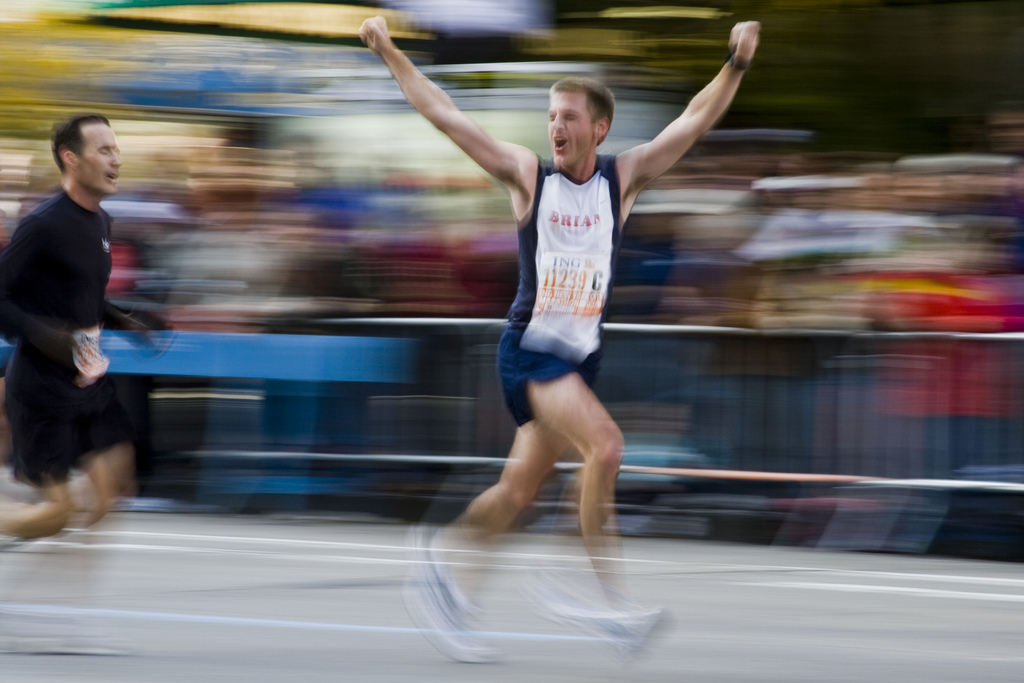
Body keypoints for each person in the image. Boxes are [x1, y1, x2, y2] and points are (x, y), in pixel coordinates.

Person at [360, 16, 760, 663]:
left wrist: (736, 62)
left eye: (569, 116)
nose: (556, 127)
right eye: (552, 116)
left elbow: (694, 119)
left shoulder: (621, 181)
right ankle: (597, 591)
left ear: (598, 128)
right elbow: (447, 115)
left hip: (576, 359)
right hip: (531, 350)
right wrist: (388, 50)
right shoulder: (528, 176)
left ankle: (444, 569)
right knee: (606, 445)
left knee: (517, 492)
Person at [0, 114, 139, 651]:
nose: (115, 158)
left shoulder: (99, 222)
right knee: (59, 513)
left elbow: (78, 292)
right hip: (39, 383)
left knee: (110, 493)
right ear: (70, 158)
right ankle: (49, 613)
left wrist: (122, 314)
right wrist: (43, 336)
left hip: (85, 376)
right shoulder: (44, 224)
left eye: (116, 148)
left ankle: (60, 615)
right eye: (102, 150)